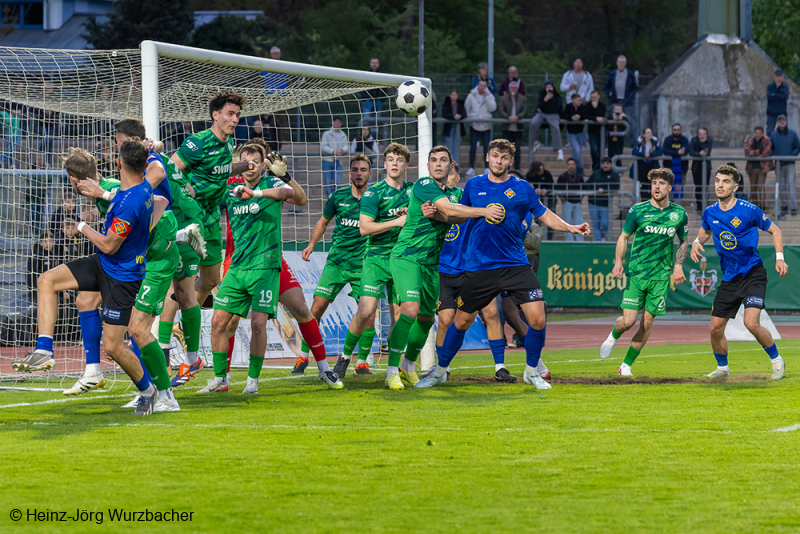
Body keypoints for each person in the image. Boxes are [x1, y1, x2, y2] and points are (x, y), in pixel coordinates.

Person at [416, 140, 590, 390]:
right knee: (461, 322)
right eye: (495, 156)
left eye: (504, 157)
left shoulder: (523, 188)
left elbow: (544, 214)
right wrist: (437, 215)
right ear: (487, 157)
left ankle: (532, 372)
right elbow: (460, 216)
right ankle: (440, 372)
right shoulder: (474, 185)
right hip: (479, 266)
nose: (499, 161)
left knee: (538, 319)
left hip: (515, 265)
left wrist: (571, 227)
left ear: (510, 161)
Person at [14, 139, 165, 415]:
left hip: (122, 276)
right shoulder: (140, 187)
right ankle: (45, 350)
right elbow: (156, 190)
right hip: (104, 264)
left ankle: (148, 391)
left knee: (114, 346)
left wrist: (81, 226)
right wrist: (103, 194)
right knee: (47, 280)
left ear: (118, 163)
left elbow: (108, 244)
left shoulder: (130, 201)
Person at [383, 146, 503, 390]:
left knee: (427, 319)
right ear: (428, 166)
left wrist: (440, 214)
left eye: (443, 160)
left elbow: (457, 216)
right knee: (409, 310)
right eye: (434, 160)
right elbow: (450, 210)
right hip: (407, 257)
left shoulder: (454, 194)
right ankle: (391, 370)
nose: (438, 164)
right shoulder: (424, 184)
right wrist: (483, 211)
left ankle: (408, 366)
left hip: (431, 264)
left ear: (451, 166)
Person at [691, 164, 788, 379]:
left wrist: (780, 258)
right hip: (729, 278)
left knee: (751, 323)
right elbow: (705, 230)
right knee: (715, 328)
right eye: (717, 180)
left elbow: (776, 231)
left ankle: (776, 360)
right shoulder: (710, 212)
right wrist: (697, 242)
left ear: (735, 186)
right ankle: (722, 368)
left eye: (725, 182)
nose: (720, 185)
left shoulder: (749, 210)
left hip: (753, 274)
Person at [332, 143, 413, 378]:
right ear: (385, 164)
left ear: (406, 165)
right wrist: (396, 221)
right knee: (366, 311)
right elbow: (364, 228)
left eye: (399, 160)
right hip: (376, 258)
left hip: (401, 260)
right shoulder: (373, 193)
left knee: (399, 315)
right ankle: (345, 358)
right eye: (391, 159)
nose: (395, 163)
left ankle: (393, 369)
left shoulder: (413, 192)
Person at [170, 90, 251, 324]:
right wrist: (186, 187)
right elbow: (170, 169)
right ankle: (162, 333)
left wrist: (246, 165)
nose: (235, 119)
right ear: (215, 115)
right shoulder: (198, 142)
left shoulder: (229, 143)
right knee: (181, 282)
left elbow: (220, 170)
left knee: (211, 279)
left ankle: (182, 324)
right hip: (191, 217)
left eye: (237, 115)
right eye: (230, 114)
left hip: (213, 217)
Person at [599, 168, 689, 376]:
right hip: (637, 275)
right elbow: (623, 237)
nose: (657, 186)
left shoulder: (679, 214)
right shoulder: (637, 210)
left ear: (670, 187)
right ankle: (613, 336)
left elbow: (684, 241)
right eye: (654, 183)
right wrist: (618, 262)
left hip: (660, 278)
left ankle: (626, 366)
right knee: (628, 321)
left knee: (646, 323)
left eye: (661, 183)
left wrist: (678, 265)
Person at [301, 155, 376, 374]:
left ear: (370, 174)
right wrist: (311, 244)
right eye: (355, 169)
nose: (359, 173)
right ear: (349, 173)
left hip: (363, 265)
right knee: (316, 307)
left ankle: (362, 362)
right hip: (336, 262)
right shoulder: (337, 196)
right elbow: (323, 222)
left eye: (363, 170)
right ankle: (303, 356)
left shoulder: (376, 198)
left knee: (369, 314)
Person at [768, 114, 800, 219]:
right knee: (781, 186)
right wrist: (774, 156)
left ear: (786, 121)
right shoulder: (774, 135)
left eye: (784, 120)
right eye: (780, 120)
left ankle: (794, 207)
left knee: (791, 185)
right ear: (777, 122)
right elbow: (770, 148)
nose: (782, 122)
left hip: (790, 164)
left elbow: (798, 146)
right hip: (779, 164)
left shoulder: (792, 134)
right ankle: (784, 206)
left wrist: (791, 155)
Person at [464, 79, 497, 177]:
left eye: (484, 86)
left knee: (487, 147)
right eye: (481, 85)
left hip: (486, 125)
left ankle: (487, 167)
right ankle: (471, 168)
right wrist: (471, 117)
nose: (482, 87)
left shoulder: (489, 95)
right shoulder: (471, 95)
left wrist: (486, 97)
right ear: (478, 85)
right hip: (474, 124)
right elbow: (467, 107)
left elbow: (493, 108)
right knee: (473, 146)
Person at [604, 55, 638, 144]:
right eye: (620, 62)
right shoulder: (612, 74)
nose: (621, 64)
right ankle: (611, 141)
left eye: (623, 62)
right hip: (615, 101)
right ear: (617, 63)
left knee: (631, 121)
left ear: (625, 63)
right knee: (613, 120)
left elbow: (634, 88)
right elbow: (607, 86)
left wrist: (630, 98)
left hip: (627, 102)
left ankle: (632, 142)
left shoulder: (630, 74)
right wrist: (610, 95)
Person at [585, 157, 620, 241]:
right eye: (604, 163)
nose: (605, 165)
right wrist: (595, 190)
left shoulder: (614, 175)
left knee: (605, 223)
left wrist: (604, 190)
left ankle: (602, 236)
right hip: (593, 202)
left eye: (607, 163)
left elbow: (615, 186)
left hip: (606, 203)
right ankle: (598, 241)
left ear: (610, 164)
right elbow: (588, 184)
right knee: (595, 224)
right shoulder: (595, 174)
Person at [529, 80, 564, 161]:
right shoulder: (542, 96)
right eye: (547, 87)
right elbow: (538, 107)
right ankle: (533, 143)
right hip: (542, 114)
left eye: (550, 87)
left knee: (555, 127)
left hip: (553, 114)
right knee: (533, 123)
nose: (549, 88)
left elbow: (557, 108)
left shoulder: (557, 97)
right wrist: (545, 100)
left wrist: (545, 108)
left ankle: (559, 149)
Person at [556, 158, 586, 242]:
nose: (571, 166)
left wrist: (580, 199)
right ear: (567, 165)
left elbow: (583, 189)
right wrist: (563, 200)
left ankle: (580, 241)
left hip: (577, 202)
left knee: (579, 222)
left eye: (573, 164)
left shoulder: (579, 177)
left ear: (575, 166)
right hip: (567, 202)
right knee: (567, 223)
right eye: (569, 164)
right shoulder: (562, 177)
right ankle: (569, 240)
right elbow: (558, 189)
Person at [499, 81, 526, 170]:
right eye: (511, 87)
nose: (513, 89)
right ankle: (506, 168)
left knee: (517, 149)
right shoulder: (503, 98)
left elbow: (524, 110)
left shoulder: (522, 98)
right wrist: (508, 117)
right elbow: (501, 110)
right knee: (506, 149)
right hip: (507, 127)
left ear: (517, 89)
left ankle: (517, 168)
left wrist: (518, 117)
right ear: (509, 88)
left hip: (518, 127)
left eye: (515, 87)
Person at [744, 126, 773, 209]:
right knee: (753, 188)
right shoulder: (751, 141)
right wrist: (755, 153)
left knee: (761, 187)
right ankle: (754, 206)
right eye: (756, 133)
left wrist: (754, 153)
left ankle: (762, 206)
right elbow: (746, 152)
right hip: (752, 168)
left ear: (762, 133)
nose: (758, 135)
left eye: (760, 133)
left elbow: (766, 152)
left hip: (762, 168)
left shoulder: (766, 141)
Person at [321, 117, 350, 196]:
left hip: (338, 161)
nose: (337, 124)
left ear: (341, 124)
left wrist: (342, 150)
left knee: (338, 183)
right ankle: (330, 200)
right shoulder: (326, 134)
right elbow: (323, 146)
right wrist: (332, 151)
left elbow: (346, 146)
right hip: (327, 161)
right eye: (336, 122)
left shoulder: (343, 134)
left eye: (339, 122)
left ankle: (336, 200)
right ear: (333, 122)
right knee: (328, 183)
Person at [525, 160, 555, 239]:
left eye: (542, 170)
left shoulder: (547, 173)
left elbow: (552, 185)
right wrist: (534, 190)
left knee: (550, 218)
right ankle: (536, 237)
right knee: (537, 219)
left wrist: (546, 190)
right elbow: (526, 185)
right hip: (536, 200)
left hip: (548, 199)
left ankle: (549, 238)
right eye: (539, 170)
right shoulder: (530, 175)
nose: (541, 172)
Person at [631, 128, 662, 201]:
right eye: (647, 133)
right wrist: (643, 154)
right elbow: (634, 151)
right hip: (642, 166)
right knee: (644, 185)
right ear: (644, 135)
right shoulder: (639, 142)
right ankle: (644, 202)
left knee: (653, 185)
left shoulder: (654, 141)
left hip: (652, 165)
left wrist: (650, 154)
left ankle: (653, 202)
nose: (650, 134)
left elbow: (660, 151)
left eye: (650, 132)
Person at [27, 231, 57, 304]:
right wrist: (35, 290)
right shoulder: (36, 255)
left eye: (50, 241)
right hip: (39, 290)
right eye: (45, 241)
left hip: (51, 288)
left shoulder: (54, 254)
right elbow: (31, 274)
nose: (47, 244)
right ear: (41, 243)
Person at [689, 128, 713, 213]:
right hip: (696, 167)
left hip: (706, 167)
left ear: (706, 134)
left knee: (705, 186)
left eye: (704, 134)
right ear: (698, 134)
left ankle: (705, 205)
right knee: (698, 187)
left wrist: (703, 151)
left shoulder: (709, 140)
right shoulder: (694, 140)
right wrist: (699, 153)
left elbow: (707, 150)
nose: (702, 136)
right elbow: (691, 151)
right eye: (700, 134)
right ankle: (699, 206)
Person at [441, 90, 467, 168]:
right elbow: (444, 114)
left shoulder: (461, 104)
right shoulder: (446, 104)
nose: (454, 97)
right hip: (449, 128)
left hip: (459, 128)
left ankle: (455, 167)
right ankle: (449, 165)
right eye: (452, 95)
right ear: (450, 95)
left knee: (456, 148)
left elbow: (464, 114)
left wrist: (460, 116)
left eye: (455, 95)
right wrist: (453, 117)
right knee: (450, 148)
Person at [662, 123, 689, 197]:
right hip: (669, 168)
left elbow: (687, 150)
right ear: (672, 131)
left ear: (680, 131)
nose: (676, 131)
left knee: (679, 189)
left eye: (678, 130)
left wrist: (680, 152)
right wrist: (677, 152)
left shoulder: (684, 139)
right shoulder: (667, 139)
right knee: (669, 188)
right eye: (675, 130)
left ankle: (678, 203)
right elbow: (665, 151)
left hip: (681, 168)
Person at [583, 90, 606, 171]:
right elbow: (586, 115)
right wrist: (595, 118)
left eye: (595, 97)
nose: (594, 99)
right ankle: (595, 168)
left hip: (601, 131)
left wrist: (595, 110)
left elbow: (602, 115)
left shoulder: (602, 106)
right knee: (594, 149)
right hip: (592, 131)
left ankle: (600, 167)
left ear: (598, 97)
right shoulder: (588, 106)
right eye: (592, 97)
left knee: (600, 150)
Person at [562, 94, 585, 171]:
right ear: (573, 100)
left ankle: (574, 168)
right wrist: (571, 118)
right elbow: (564, 115)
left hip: (580, 132)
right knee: (577, 149)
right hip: (572, 132)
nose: (580, 102)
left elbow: (585, 114)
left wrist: (580, 116)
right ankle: (580, 167)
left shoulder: (581, 107)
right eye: (578, 100)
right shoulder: (568, 107)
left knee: (576, 151)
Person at [766, 69, 789, 136]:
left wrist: (774, 95)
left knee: (784, 130)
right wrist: (780, 96)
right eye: (777, 76)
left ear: (782, 77)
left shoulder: (785, 86)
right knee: (770, 131)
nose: (778, 77)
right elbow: (770, 97)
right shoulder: (770, 86)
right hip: (771, 112)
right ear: (775, 76)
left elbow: (785, 97)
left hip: (782, 111)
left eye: (780, 76)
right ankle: (769, 143)